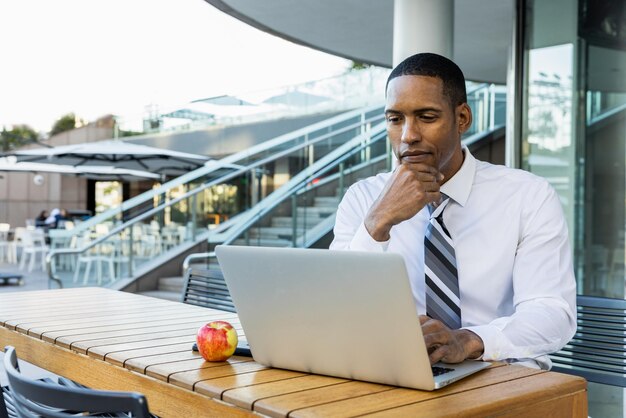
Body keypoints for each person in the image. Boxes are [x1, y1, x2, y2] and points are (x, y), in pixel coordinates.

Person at [330, 52, 576, 370]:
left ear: (462, 119)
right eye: (395, 119)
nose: (408, 135)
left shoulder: (527, 195)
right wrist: (378, 222)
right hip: (398, 374)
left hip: (501, 371)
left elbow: (552, 312)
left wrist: (468, 340)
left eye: (427, 117)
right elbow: (337, 309)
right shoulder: (362, 199)